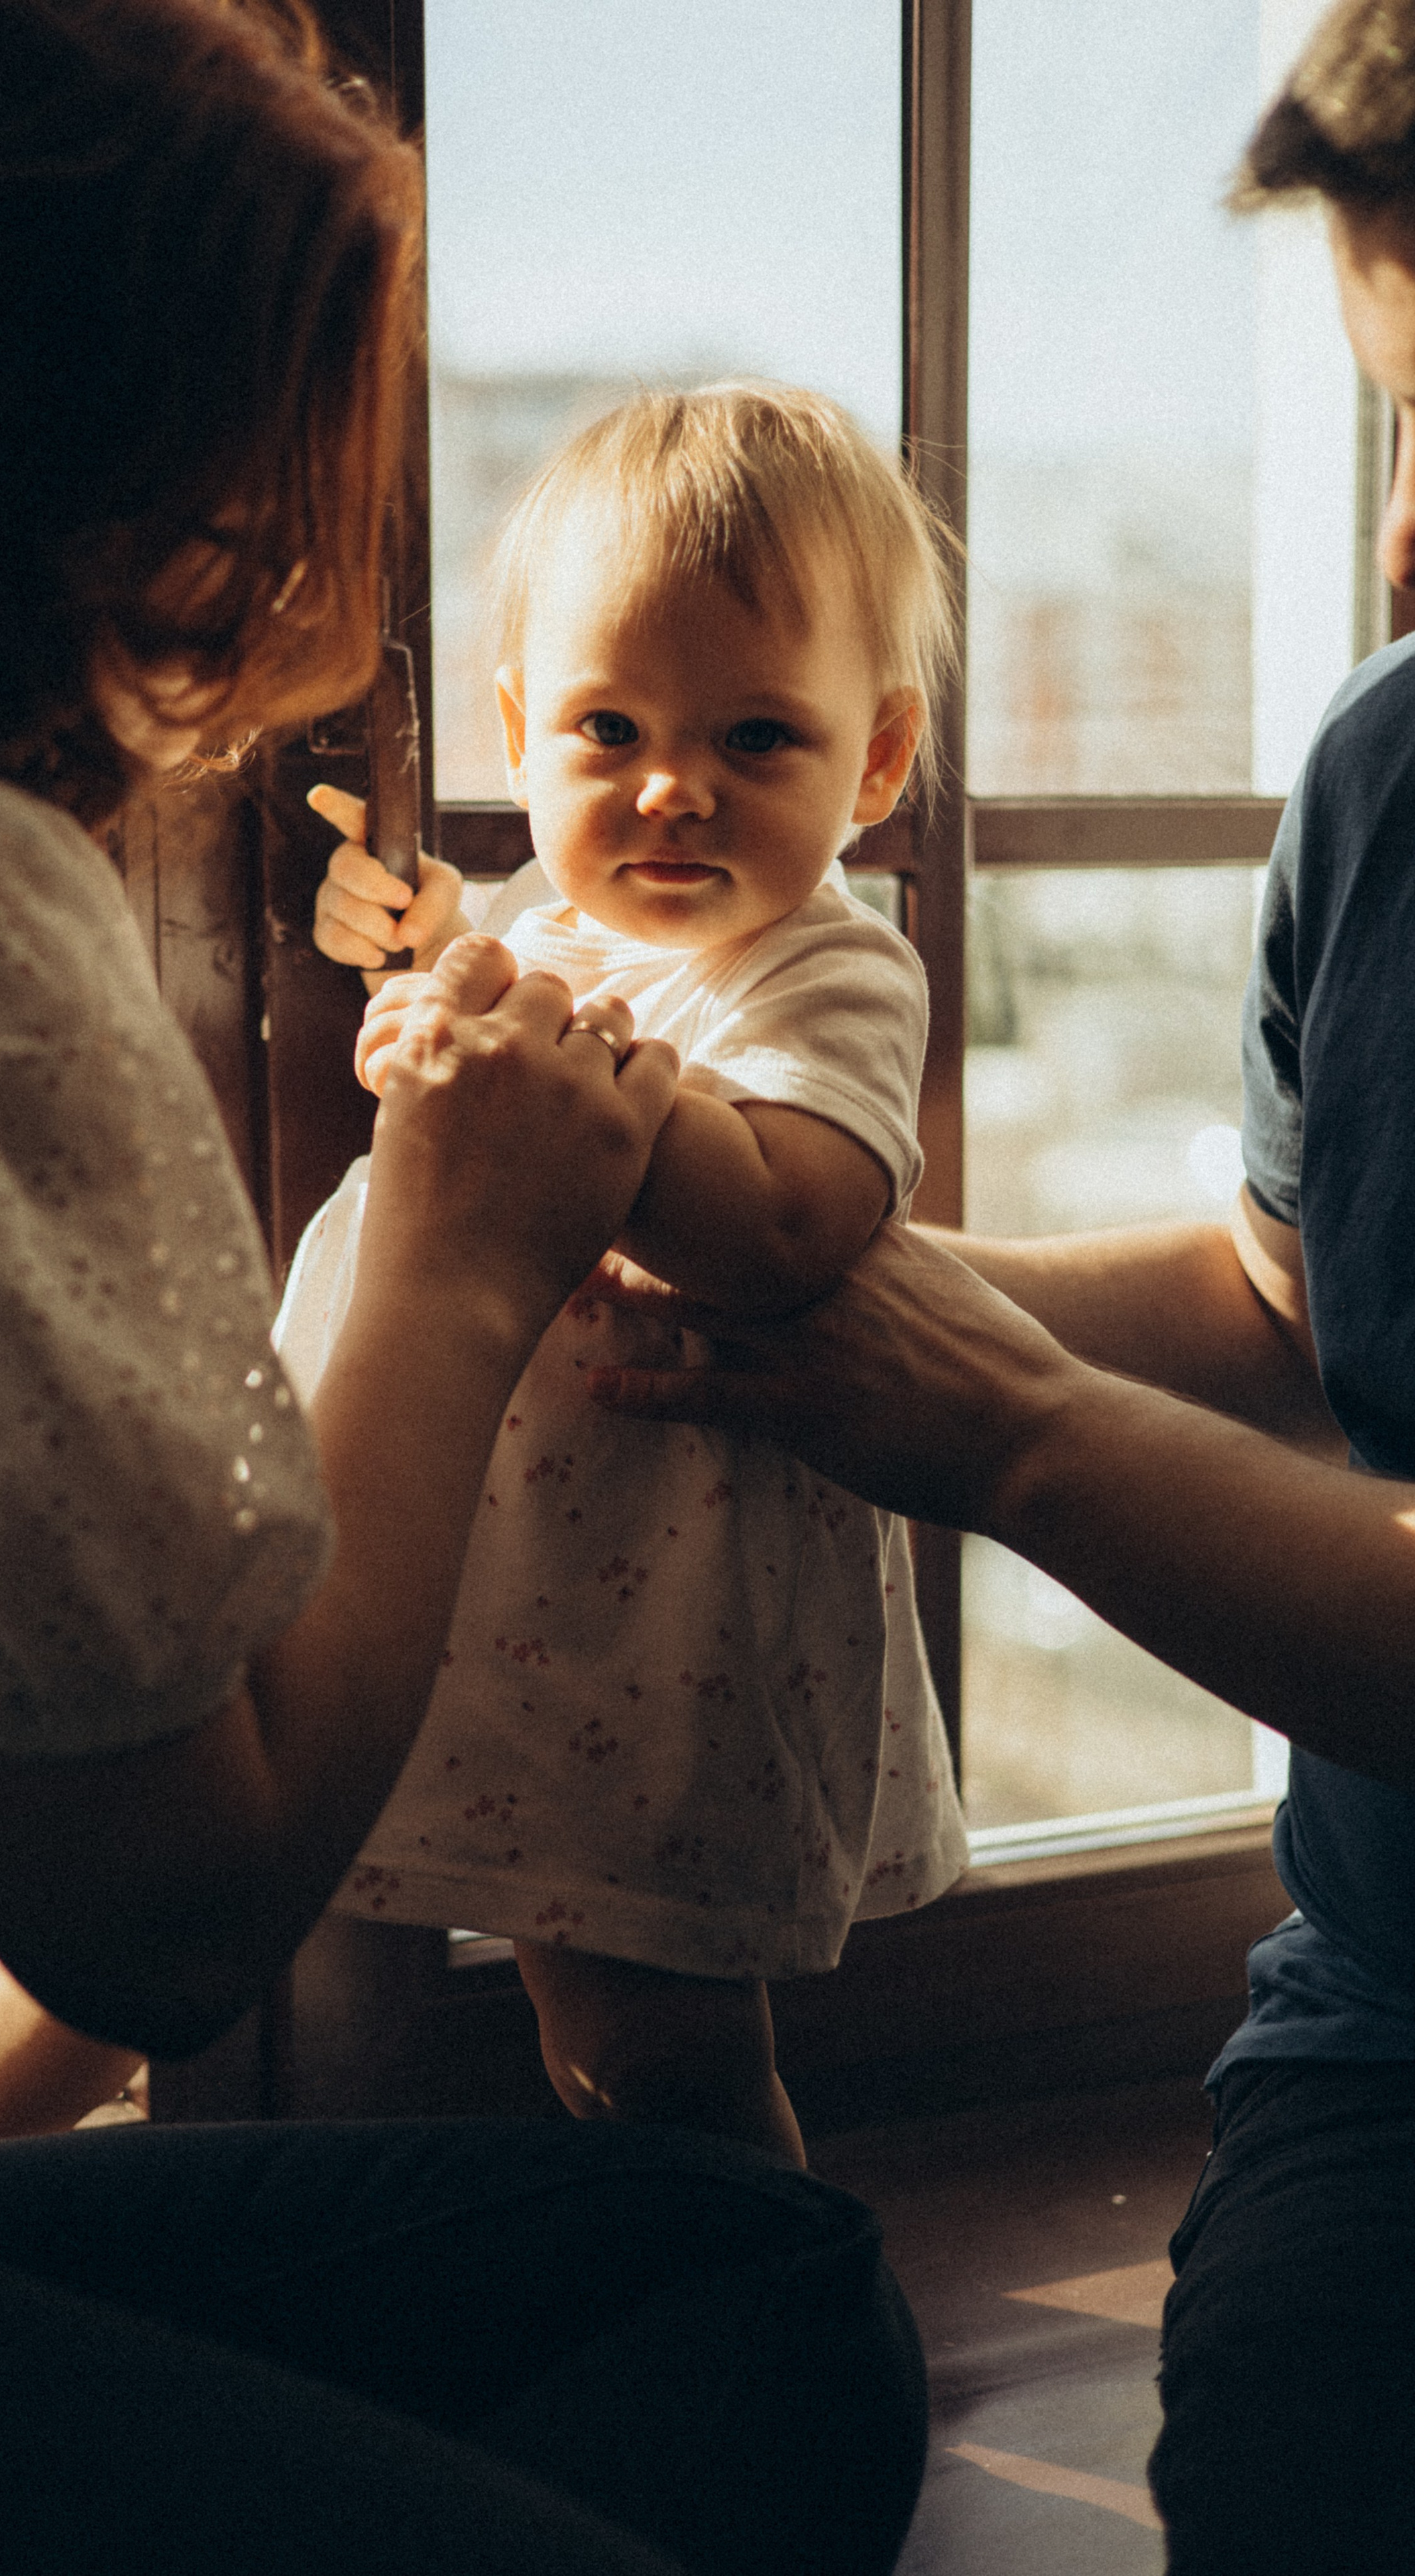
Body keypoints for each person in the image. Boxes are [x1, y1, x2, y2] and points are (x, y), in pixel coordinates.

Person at [0, 8, 931, 2575]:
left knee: (702, 2153)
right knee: (770, 2316)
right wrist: (469, 1255)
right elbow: (160, 1921)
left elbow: (812, 1198)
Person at [594, 5, 1415, 2565]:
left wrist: (1010, 1438)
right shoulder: (1392, 778)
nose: (1404, 547)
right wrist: (844, 1285)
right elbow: (1292, 1298)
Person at [265, 385, 964, 2169]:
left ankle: (769, 2317)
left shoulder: (831, 977)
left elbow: (791, 1226)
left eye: (754, 737)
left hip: (656, 1608)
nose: (671, 788)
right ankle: (5, 2173)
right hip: (425, 1540)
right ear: (520, 731)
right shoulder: (530, 931)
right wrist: (419, 943)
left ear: (872, 765)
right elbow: (478, 977)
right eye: (607, 728)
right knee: (293, 1936)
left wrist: (549, 1077)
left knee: (641, 2039)